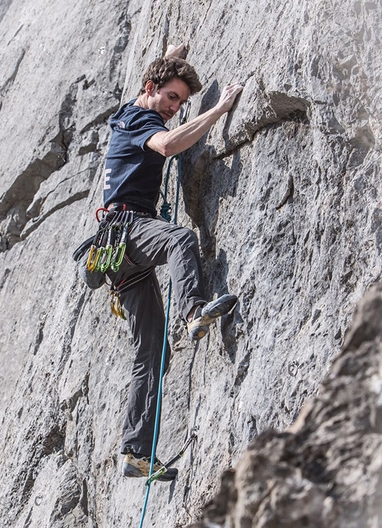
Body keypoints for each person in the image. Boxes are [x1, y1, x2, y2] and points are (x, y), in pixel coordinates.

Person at [97, 45, 243, 481]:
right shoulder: (144, 120)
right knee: (180, 238)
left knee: (151, 351)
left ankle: (135, 451)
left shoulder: (130, 109)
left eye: (181, 101)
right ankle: (195, 310)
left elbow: (159, 74)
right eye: (173, 99)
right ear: (151, 89)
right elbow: (167, 144)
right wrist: (217, 110)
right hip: (128, 228)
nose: (176, 109)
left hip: (116, 252)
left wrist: (173, 54)